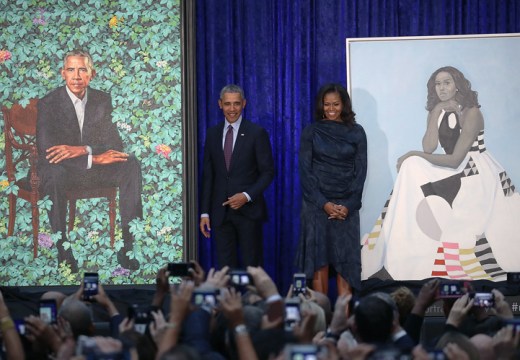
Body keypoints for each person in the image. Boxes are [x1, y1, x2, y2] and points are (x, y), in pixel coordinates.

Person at [362, 66, 520, 281]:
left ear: (457, 85)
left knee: (413, 160)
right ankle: (397, 254)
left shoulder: (472, 112)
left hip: (475, 172)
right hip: (453, 168)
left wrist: (412, 153)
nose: (442, 88)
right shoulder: (437, 111)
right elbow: (428, 148)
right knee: (412, 166)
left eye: (447, 82)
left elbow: (456, 160)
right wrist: (436, 112)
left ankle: (430, 257)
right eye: (438, 84)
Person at [37, 49, 143, 271]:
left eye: (82, 70)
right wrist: (94, 158)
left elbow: (114, 143)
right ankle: (63, 250)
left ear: (91, 74)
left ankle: (127, 245)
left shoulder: (102, 99)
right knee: (53, 173)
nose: (76, 76)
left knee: (130, 163)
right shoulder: (48, 103)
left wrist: (83, 150)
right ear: (62, 73)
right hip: (63, 170)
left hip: (91, 170)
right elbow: (49, 151)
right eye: (71, 70)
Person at [295, 83, 367, 296]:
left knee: (346, 264)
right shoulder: (311, 131)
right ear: (321, 105)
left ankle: (343, 324)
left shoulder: (357, 132)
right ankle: (323, 320)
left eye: (336, 104)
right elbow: (305, 174)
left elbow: (361, 172)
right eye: (327, 104)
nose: (331, 109)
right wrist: (324, 204)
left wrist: (348, 205)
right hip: (317, 207)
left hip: (347, 208)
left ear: (344, 104)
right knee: (319, 262)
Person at [199, 84, 275, 269]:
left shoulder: (257, 133)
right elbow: (208, 175)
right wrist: (205, 212)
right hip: (220, 214)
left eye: (236, 104)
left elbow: (268, 172)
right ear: (220, 104)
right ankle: (227, 299)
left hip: (248, 213)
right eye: (227, 104)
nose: (232, 109)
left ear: (244, 104)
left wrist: (246, 196)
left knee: (252, 267)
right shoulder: (212, 133)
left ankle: (253, 299)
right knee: (224, 269)